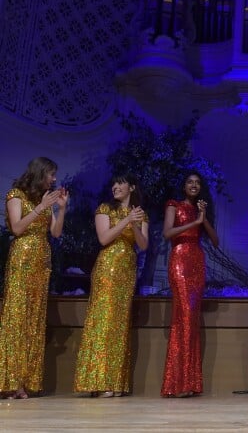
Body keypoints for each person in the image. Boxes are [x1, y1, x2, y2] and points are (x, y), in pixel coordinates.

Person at [73, 173, 148, 398]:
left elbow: (143, 245)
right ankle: (97, 380)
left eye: (120, 183)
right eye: (113, 183)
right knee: (103, 321)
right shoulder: (105, 209)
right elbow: (104, 239)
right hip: (108, 267)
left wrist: (135, 224)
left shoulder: (140, 213)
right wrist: (126, 220)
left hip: (127, 269)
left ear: (131, 187)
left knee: (119, 323)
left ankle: (115, 382)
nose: (115, 187)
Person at [0, 157, 68, 399]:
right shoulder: (16, 195)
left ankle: (26, 382)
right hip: (22, 259)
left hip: (41, 262)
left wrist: (61, 208)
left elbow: (55, 233)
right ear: (40, 173)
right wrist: (40, 207)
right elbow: (17, 229)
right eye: (51, 174)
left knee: (34, 320)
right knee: (17, 319)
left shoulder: (46, 199)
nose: (54, 179)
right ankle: (10, 382)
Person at [160, 171, 219, 398]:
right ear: (183, 185)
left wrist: (202, 220)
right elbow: (167, 233)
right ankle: (178, 383)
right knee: (183, 316)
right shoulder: (174, 205)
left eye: (197, 183)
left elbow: (215, 241)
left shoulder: (200, 210)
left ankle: (189, 381)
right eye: (190, 182)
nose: (194, 185)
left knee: (191, 319)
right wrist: (193, 222)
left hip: (197, 261)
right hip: (180, 260)